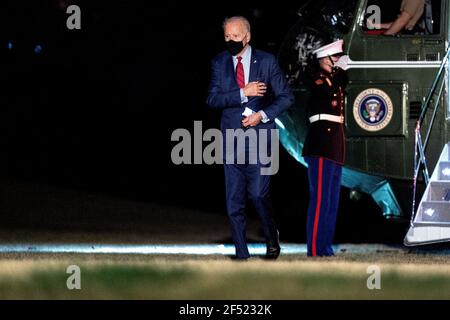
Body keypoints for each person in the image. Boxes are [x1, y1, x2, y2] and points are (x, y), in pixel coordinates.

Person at [206, 16, 293, 260]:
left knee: (257, 194)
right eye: (226, 37)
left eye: (235, 36)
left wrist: (262, 115)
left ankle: (271, 236)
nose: (230, 41)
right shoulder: (219, 62)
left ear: (247, 36)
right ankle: (242, 255)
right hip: (231, 139)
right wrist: (243, 93)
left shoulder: (266, 61)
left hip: (260, 139)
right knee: (234, 201)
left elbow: (286, 97)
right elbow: (212, 99)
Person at [302, 39, 348, 257]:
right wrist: (339, 72)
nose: (338, 61)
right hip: (321, 143)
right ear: (324, 58)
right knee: (320, 199)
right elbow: (324, 92)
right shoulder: (317, 79)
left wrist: (341, 72)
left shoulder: (334, 80)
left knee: (332, 200)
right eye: (335, 57)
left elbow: (341, 86)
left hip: (335, 144)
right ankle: (314, 248)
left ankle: (326, 246)